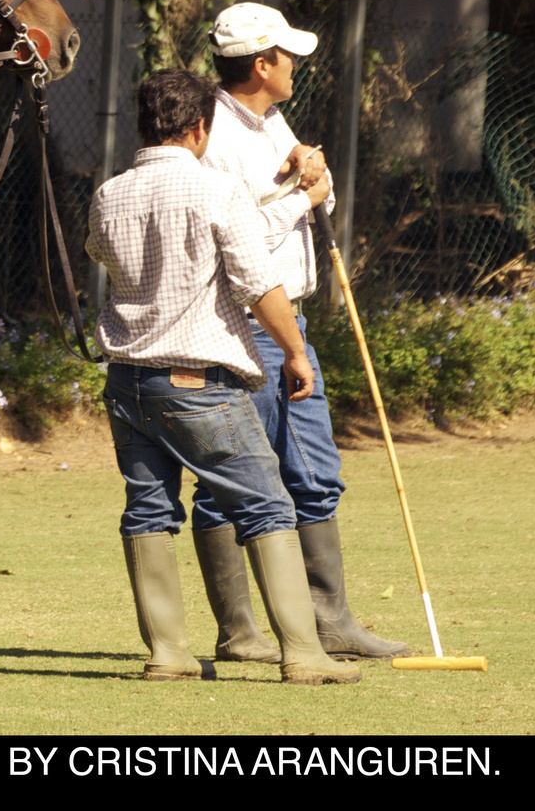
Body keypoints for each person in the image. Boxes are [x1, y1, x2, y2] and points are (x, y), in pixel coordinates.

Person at [87, 69, 359, 685]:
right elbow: (258, 284)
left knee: (149, 509)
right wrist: (292, 350)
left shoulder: (109, 193)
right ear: (200, 127)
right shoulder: (217, 191)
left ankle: (168, 653)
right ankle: (305, 653)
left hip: (127, 380)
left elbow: (99, 254)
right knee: (266, 505)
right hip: (198, 379)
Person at [191, 2, 410, 662]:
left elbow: (313, 194)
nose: (295, 67)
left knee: (312, 472)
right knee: (231, 478)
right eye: (287, 57)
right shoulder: (217, 138)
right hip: (245, 326)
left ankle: (329, 621)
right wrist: (301, 200)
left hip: (292, 323)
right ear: (263, 64)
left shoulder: (270, 118)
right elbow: (238, 241)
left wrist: (314, 175)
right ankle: (240, 632)